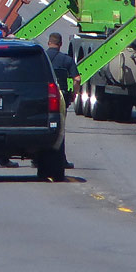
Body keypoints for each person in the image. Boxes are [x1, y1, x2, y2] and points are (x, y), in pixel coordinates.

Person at [45, 32, 79, 169]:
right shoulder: (66, 60)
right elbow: (77, 79)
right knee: (59, 129)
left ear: (48, 43)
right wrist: (73, 94)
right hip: (60, 98)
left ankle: (37, 158)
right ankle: (61, 159)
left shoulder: (43, 57)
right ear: (60, 44)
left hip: (42, 96)